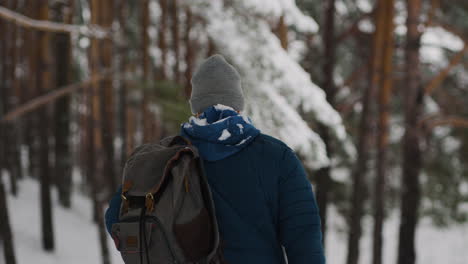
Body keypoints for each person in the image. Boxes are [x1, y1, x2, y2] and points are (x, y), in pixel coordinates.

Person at [105, 54, 326, 264]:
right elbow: (304, 239)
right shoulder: (277, 157)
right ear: (238, 104)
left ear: (195, 106)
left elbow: (116, 218)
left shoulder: (166, 158)